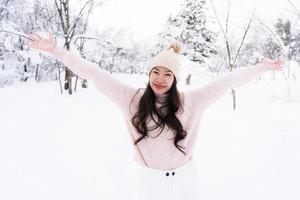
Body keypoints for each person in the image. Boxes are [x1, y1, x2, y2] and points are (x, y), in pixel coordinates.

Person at [26, 32, 284, 200]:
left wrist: (260, 68)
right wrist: (56, 51)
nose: (160, 79)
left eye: (168, 74)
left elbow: (228, 81)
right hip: (151, 184)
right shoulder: (131, 98)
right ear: (148, 74)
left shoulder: (191, 101)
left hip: (186, 180)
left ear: (175, 78)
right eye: (155, 72)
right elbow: (94, 73)